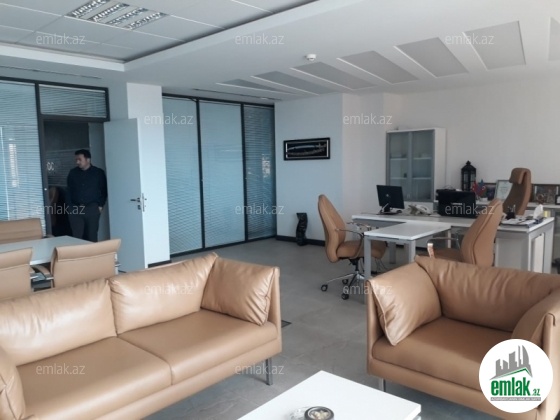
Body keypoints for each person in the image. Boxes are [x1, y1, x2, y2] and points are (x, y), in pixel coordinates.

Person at [66, 149, 107, 242]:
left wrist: (100, 205)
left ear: (88, 159)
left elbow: (103, 190)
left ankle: (93, 252)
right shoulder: (73, 173)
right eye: (76, 160)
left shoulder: (98, 173)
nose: (77, 162)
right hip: (75, 208)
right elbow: (68, 191)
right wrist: (70, 208)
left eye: (79, 159)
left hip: (92, 208)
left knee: (92, 235)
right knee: (77, 237)